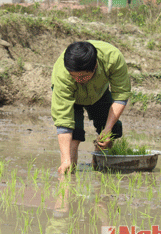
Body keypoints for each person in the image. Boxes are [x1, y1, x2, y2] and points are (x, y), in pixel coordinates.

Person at [51, 40, 131, 174]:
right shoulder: (62, 75)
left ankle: (98, 167)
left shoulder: (112, 58)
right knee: (73, 138)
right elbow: (63, 120)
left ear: (95, 66)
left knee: (110, 133)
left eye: (83, 76)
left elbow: (121, 95)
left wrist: (107, 129)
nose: (78, 80)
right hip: (72, 98)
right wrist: (65, 160)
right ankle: (69, 174)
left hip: (99, 92)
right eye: (74, 76)